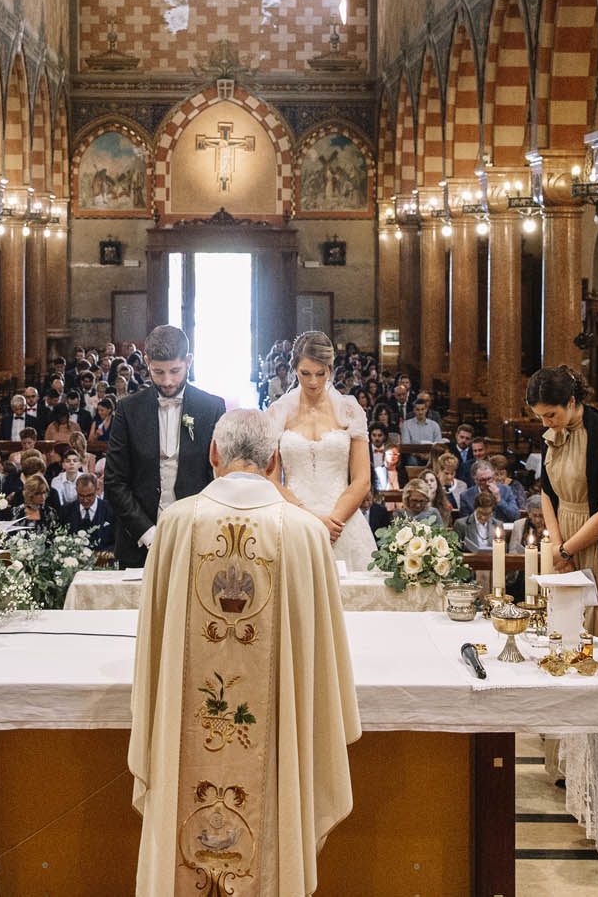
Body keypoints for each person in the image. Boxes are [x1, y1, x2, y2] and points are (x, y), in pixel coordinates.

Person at [129, 408, 359, 895]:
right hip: (276, 739)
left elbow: (150, 647)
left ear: (212, 455)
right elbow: (326, 659)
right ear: (275, 460)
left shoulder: (174, 524)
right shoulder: (305, 532)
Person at [529, 366, 598, 683]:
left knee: (596, 623)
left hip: (597, 537)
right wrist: (556, 545)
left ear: (572, 401)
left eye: (551, 415)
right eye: (541, 417)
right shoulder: (550, 434)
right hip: (563, 534)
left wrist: (568, 549)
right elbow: (547, 492)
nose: (546, 423)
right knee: (560, 628)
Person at [104, 325, 226, 567]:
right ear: (147, 362)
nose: (167, 381)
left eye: (175, 371)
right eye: (158, 372)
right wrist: (148, 533)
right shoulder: (128, 411)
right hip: (138, 543)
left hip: (199, 539)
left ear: (188, 361)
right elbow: (115, 481)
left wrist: (196, 527)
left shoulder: (212, 408)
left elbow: (218, 478)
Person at [265, 330, 377, 570]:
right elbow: (270, 480)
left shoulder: (350, 410)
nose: (313, 382)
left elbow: (362, 480)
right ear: (295, 367)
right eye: (305, 373)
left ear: (330, 369)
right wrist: (311, 521)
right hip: (295, 520)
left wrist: (332, 523)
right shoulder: (277, 412)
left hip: (341, 522)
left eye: (321, 373)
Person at [59, 471, 113, 550]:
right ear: (76, 490)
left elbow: (116, 542)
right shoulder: (66, 510)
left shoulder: (110, 510)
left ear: (97, 490)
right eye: (81, 495)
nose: (85, 500)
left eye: (89, 495)